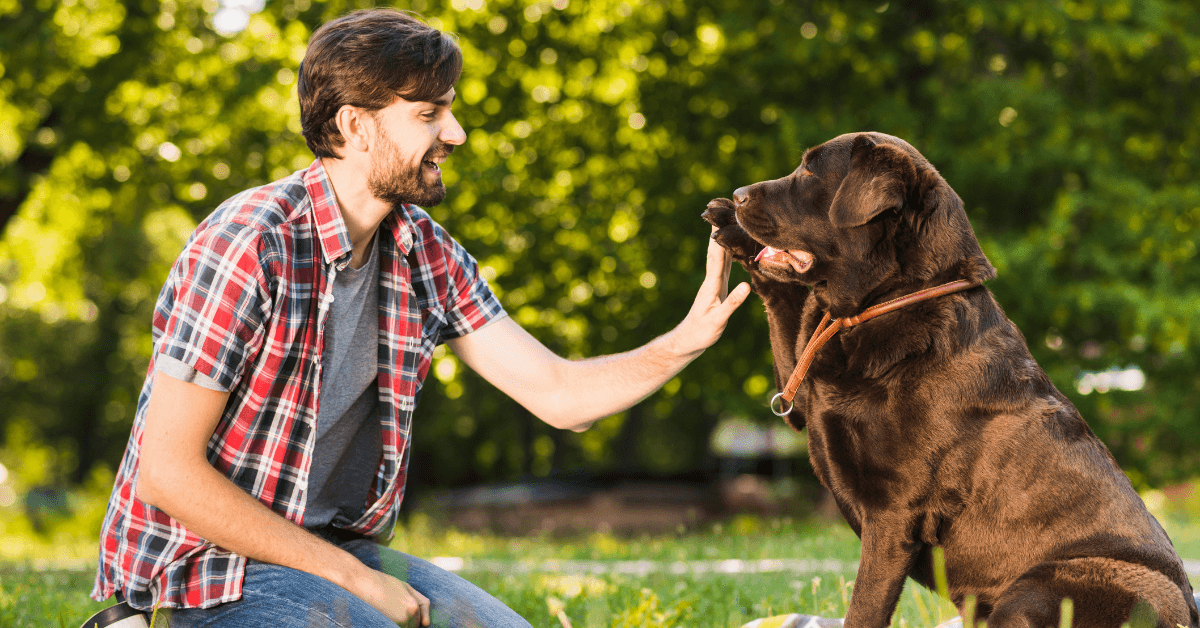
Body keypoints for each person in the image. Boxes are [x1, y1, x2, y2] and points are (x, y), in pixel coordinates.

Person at [91, 7, 750, 628]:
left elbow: (560, 395)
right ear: (355, 126)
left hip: (332, 551)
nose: (455, 133)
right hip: (207, 568)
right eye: (430, 113)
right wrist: (353, 579)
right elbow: (168, 472)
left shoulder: (421, 250)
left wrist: (681, 343)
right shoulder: (251, 242)